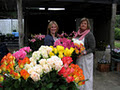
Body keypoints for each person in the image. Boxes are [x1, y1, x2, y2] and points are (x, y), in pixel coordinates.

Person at [74, 18, 96, 90]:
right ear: (80, 24)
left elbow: (92, 48)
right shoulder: (77, 34)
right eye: (82, 23)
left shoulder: (89, 34)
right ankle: (80, 88)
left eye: (85, 23)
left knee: (86, 74)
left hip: (87, 58)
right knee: (79, 73)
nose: (83, 25)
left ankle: (87, 88)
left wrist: (84, 52)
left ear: (87, 25)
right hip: (79, 57)